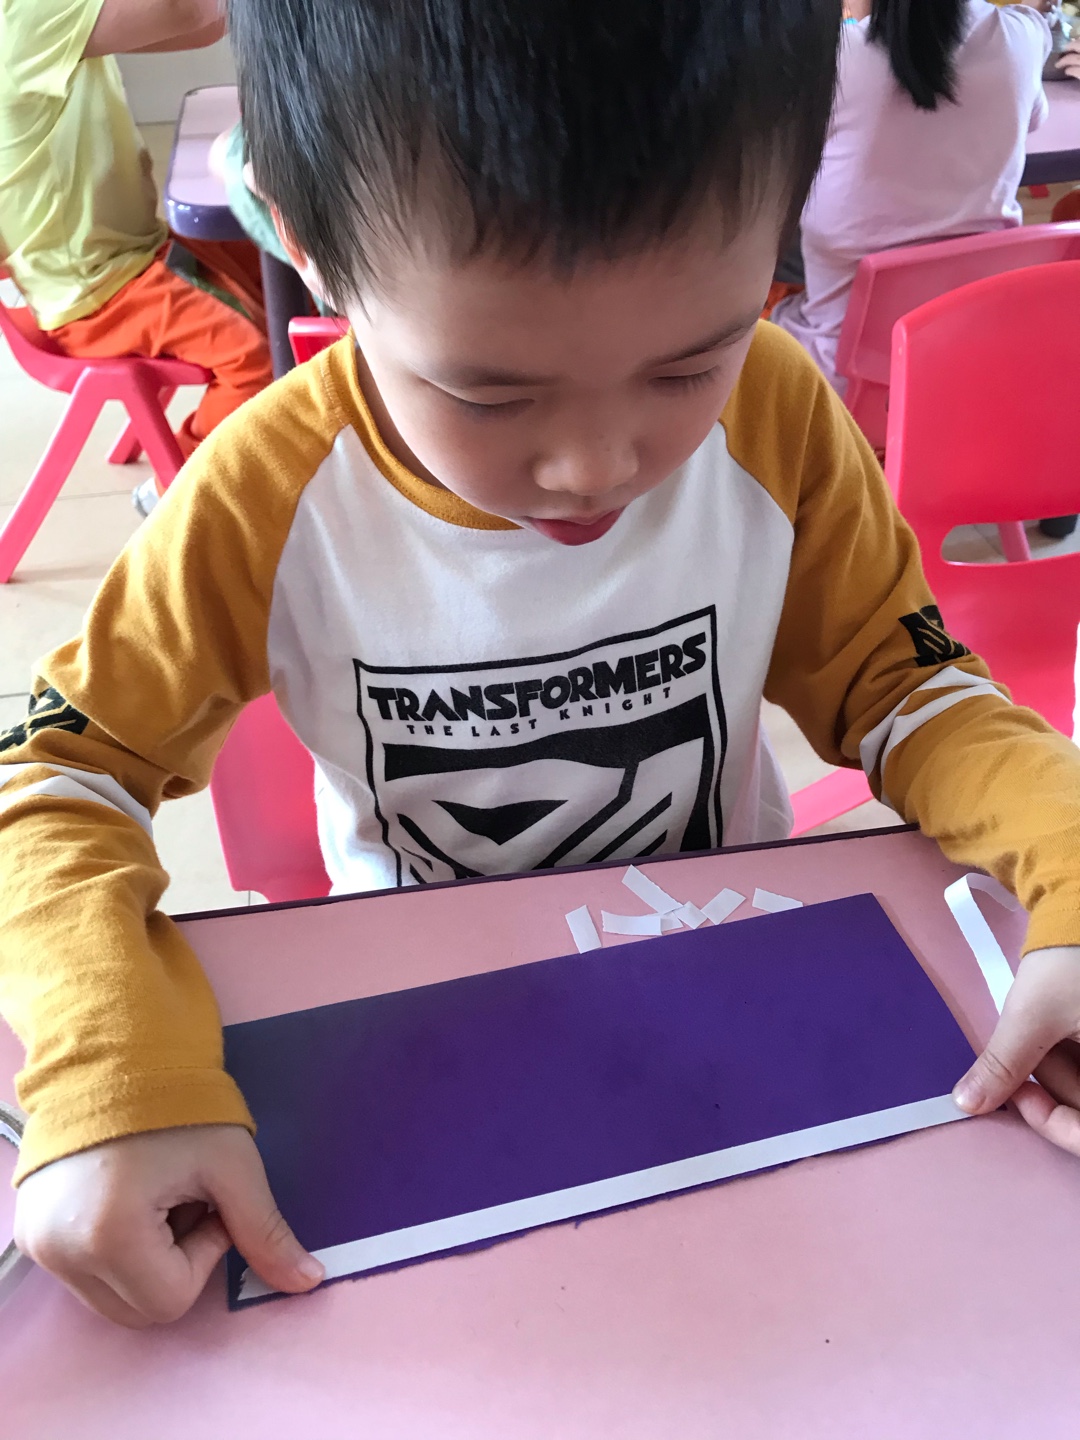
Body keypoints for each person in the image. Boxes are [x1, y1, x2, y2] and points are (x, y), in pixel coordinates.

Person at [4, 0, 1080, 1330]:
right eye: (491, 393)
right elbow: (53, 778)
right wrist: (110, 1073)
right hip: (423, 1037)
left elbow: (910, 690)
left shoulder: (779, 416)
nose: (597, 466)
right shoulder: (265, 498)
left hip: (729, 1002)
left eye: (689, 364)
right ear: (302, 236)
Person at [0, 0, 274, 503]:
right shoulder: (24, 14)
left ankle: (297, 438)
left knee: (272, 267)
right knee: (256, 358)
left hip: (121, 259)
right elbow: (191, 14)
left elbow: (203, 26)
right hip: (101, 290)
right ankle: (181, 493)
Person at [772, 0, 1053, 390]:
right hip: (965, 369)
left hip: (836, 385)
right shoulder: (1022, 37)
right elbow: (1034, 116)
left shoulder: (831, 62)